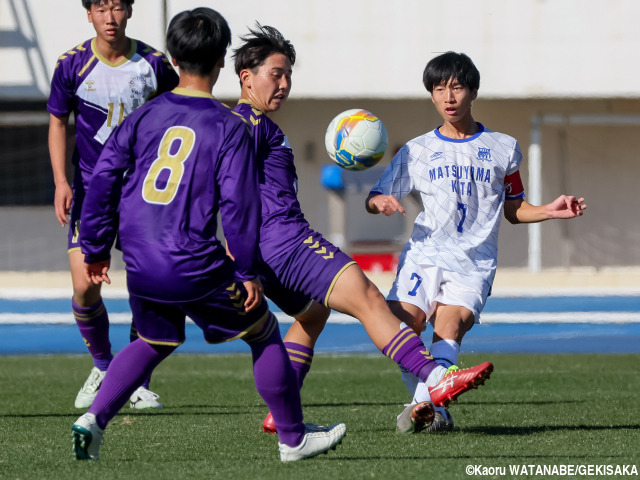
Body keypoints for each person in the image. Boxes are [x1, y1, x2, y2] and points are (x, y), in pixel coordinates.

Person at [70, 7, 347, 463]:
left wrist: (96, 248)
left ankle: (93, 420)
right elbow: (239, 206)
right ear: (222, 60)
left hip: (139, 257)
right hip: (191, 259)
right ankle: (293, 438)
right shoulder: (227, 126)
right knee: (263, 332)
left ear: (174, 57)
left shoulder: (143, 116)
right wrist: (246, 270)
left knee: (153, 341)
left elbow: (101, 180)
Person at [232, 26, 495, 435]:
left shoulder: (256, 123)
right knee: (369, 297)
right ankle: (436, 378)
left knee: (313, 313)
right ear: (246, 77)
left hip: (264, 249)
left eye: (288, 75)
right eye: (275, 74)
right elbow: (218, 187)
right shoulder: (245, 123)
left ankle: (281, 413)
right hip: (284, 241)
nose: (284, 84)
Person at [366, 51, 587, 433]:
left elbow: (514, 209)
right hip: (425, 254)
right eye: (439, 89)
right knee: (402, 330)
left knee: (448, 330)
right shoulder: (416, 151)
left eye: (456, 87)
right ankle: (432, 404)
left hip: (474, 263)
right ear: (431, 96)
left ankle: (424, 406)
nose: (448, 97)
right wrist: (380, 201)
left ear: (473, 91)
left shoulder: (504, 148)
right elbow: (375, 196)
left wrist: (549, 210)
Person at [47, 0, 178, 409]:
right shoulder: (71, 65)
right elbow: (57, 122)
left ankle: (135, 381)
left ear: (130, 11)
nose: (110, 17)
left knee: (149, 286)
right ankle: (104, 365)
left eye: (117, 7)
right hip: (90, 194)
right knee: (84, 286)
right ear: (89, 14)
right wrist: (60, 181)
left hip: (143, 193)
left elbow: (179, 116)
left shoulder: (155, 65)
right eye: (101, 8)